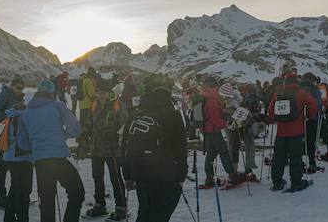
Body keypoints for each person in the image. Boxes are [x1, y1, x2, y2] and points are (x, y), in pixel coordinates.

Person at [14, 80, 84, 222]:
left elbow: (22, 142)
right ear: (52, 93)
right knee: (77, 192)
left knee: (46, 201)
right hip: (58, 158)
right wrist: (63, 135)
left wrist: (36, 145)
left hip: (40, 161)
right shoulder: (57, 105)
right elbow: (76, 129)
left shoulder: (26, 112)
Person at [122, 89, 188, 222]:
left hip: (140, 171)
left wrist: (127, 174)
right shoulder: (173, 115)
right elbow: (180, 147)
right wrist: (182, 174)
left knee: (145, 211)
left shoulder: (135, 114)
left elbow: (125, 145)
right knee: (160, 213)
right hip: (166, 173)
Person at [80, 83, 129, 220]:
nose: (100, 95)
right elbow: (88, 123)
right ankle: (100, 205)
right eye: (99, 92)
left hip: (113, 149)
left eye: (103, 92)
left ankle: (121, 207)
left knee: (115, 178)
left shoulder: (117, 105)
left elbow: (126, 124)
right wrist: (83, 134)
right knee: (97, 176)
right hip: (96, 148)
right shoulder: (94, 105)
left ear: (109, 93)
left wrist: (116, 134)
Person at [0, 77, 33, 222]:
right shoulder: (6, 95)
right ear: (12, 86)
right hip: (8, 139)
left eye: (22, 88)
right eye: (18, 87)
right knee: (3, 167)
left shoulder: (18, 97)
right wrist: (6, 120)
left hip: (14, 140)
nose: (21, 90)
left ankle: (9, 204)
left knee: (9, 170)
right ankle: (2, 194)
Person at [266, 73, 317, 192]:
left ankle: (277, 181)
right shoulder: (301, 93)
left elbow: (270, 112)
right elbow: (313, 104)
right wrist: (308, 116)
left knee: (279, 157)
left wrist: (276, 119)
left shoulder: (277, 94)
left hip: (281, 132)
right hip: (296, 130)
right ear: (296, 82)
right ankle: (296, 181)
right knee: (295, 157)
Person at [194, 78, 238, 189]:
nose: (218, 90)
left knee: (210, 155)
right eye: (216, 88)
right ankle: (232, 175)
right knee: (224, 153)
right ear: (211, 88)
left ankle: (209, 178)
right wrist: (228, 124)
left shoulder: (204, 100)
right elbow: (216, 120)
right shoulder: (212, 101)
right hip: (214, 132)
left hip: (207, 133)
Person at [227, 84, 262, 182]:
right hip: (247, 124)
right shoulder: (244, 98)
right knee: (249, 146)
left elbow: (230, 114)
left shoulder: (229, 99)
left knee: (233, 147)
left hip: (235, 126)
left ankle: (234, 172)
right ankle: (249, 168)